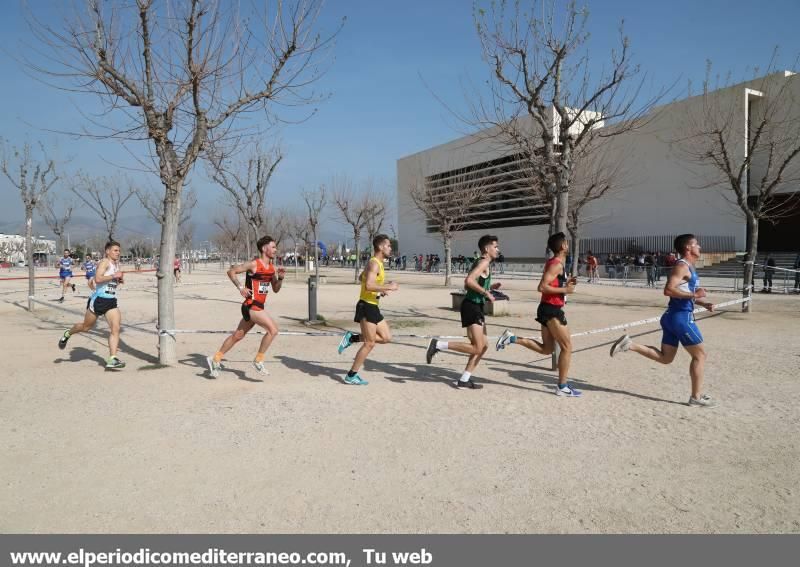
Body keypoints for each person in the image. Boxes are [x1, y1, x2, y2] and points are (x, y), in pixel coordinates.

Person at [608, 234, 716, 407]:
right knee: (700, 355)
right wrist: (695, 295)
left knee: (666, 358)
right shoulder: (682, 266)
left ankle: (630, 345)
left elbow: (683, 294)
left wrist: (704, 302)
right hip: (681, 319)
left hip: (672, 317)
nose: (700, 247)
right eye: (696, 244)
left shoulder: (689, 267)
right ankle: (696, 397)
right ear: (688, 248)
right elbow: (669, 290)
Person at [495, 232, 581, 397]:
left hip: (547, 308)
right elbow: (541, 287)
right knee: (567, 347)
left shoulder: (557, 263)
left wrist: (566, 283)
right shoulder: (556, 264)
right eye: (566, 243)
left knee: (547, 349)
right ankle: (562, 387)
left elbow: (552, 284)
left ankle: (511, 338)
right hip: (551, 309)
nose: (568, 245)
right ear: (562, 246)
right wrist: (566, 289)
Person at [425, 234, 502, 390]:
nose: (498, 250)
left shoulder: (480, 262)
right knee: (477, 347)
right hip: (472, 306)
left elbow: (470, 286)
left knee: (483, 345)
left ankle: (464, 379)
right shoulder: (484, 261)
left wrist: (489, 288)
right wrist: (486, 293)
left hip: (474, 305)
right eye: (495, 246)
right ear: (487, 249)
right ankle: (438, 344)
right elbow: (468, 282)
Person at [206, 235, 285, 378]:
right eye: (273, 247)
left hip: (258, 306)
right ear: (264, 248)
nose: (275, 250)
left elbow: (276, 289)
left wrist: (280, 279)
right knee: (273, 330)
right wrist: (240, 287)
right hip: (251, 305)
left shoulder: (272, 269)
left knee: (238, 335)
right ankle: (258, 360)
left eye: (275, 247)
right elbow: (231, 272)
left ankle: (215, 358)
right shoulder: (254, 264)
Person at [336, 234, 399, 385]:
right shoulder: (374, 264)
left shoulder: (376, 263)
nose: (391, 248)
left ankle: (352, 338)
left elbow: (361, 279)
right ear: (380, 247)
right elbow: (368, 285)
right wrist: (388, 286)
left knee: (386, 338)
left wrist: (380, 290)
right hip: (366, 306)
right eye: (388, 245)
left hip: (373, 306)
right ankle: (351, 375)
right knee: (370, 343)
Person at [58, 241, 127, 370]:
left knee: (115, 329)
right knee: (85, 327)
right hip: (99, 301)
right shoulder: (104, 262)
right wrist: (114, 275)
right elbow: (98, 279)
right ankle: (68, 333)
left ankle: (112, 358)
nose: (118, 253)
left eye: (119, 250)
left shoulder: (115, 264)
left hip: (111, 301)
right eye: (115, 250)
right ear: (107, 251)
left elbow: (110, 282)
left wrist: (118, 280)